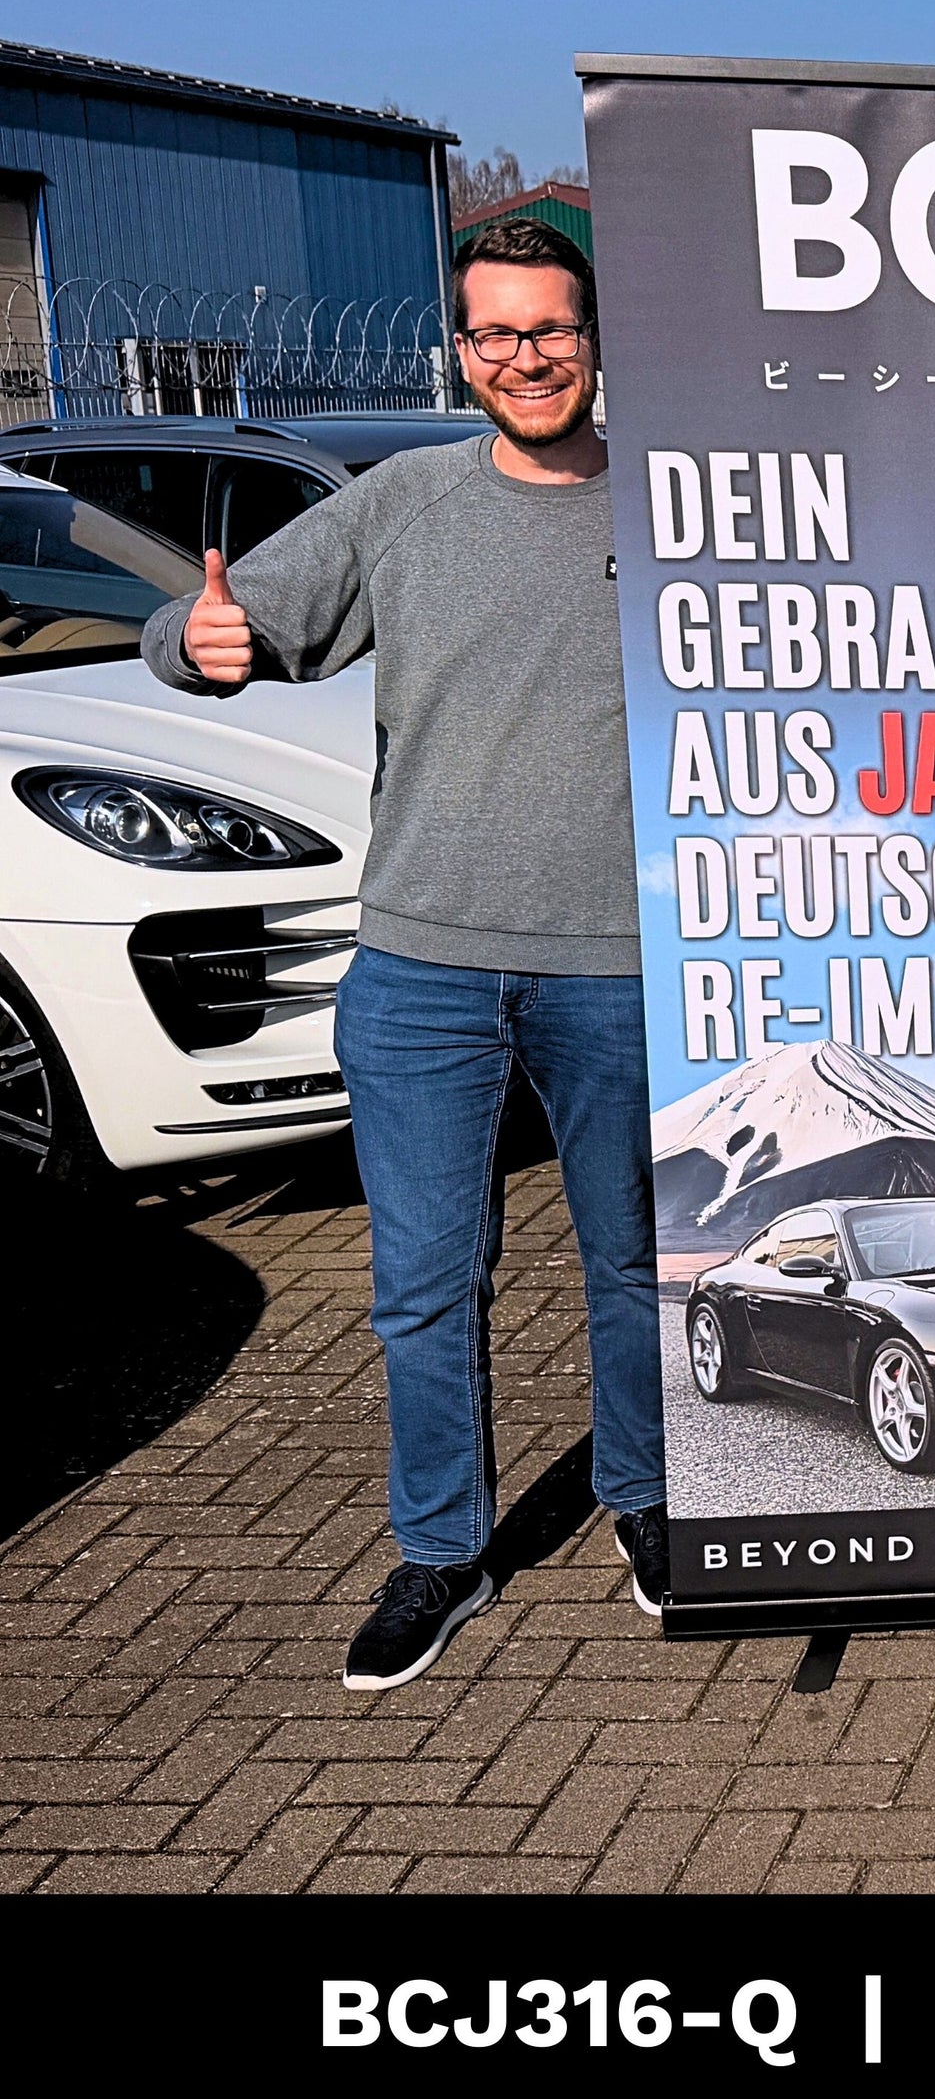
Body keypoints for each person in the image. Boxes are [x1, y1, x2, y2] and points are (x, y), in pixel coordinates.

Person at [142, 217, 667, 1689]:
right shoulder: (402, 504)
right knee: (426, 1283)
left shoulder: (679, 506)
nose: (525, 357)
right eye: (495, 333)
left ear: (594, 338)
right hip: (422, 971)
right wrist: (196, 641)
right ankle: (442, 1550)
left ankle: (647, 1498)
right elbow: (215, 626)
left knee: (637, 1263)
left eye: (549, 329)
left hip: (624, 963)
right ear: (460, 349)